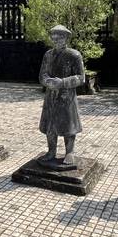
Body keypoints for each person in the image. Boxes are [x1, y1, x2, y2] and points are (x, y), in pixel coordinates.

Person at [39, 25, 85, 165]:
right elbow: (42, 74)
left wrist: (63, 82)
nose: (56, 39)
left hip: (67, 97)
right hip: (51, 96)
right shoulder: (48, 55)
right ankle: (51, 151)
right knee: (50, 126)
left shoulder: (74, 55)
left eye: (60, 36)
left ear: (66, 38)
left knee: (68, 126)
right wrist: (48, 81)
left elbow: (81, 77)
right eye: (54, 36)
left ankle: (69, 152)